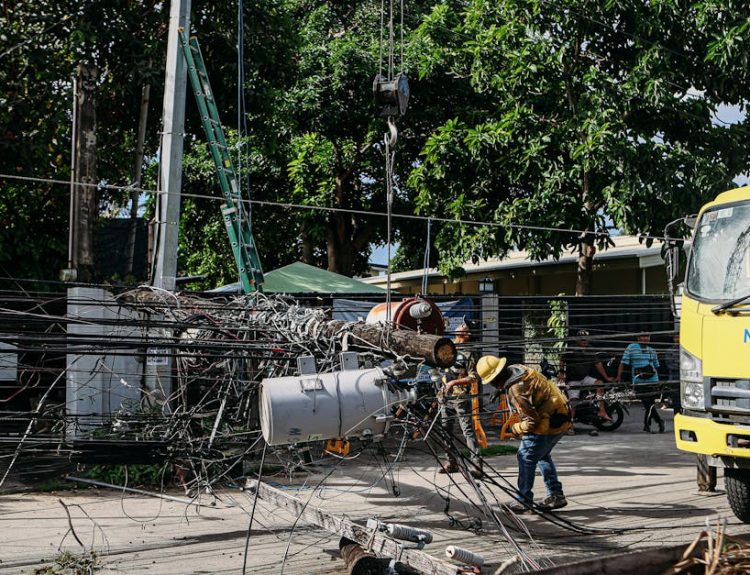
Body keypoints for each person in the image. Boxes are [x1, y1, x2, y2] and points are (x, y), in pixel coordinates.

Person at [478, 355, 571, 513]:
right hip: (561, 414)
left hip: (548, 421)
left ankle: (524, 500)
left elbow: (532, 421)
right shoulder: (518, 368)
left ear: (496, 378)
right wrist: (500, 391)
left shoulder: (516, 390)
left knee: (525, 456)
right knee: (541, 455)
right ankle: (556, 494)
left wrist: (515, 429)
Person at [438, 352, 483, 478]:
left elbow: (474, 377)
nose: (464, 336)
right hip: (445, 397)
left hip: (460, 399)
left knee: (468, 431)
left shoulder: (468, 355)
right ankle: (452, 463)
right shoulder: (445, 351)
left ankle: (477, 465)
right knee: (446, 431)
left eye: (465, 333)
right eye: (460, 333)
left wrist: (454, 382)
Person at [559, 330, 614, 433]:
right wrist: (561, 372)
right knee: (574, 401)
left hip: (584, 378)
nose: (584, 341)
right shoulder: (571, 349)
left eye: (586, 339)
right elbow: (562, 359)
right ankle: (569, 425)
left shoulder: (590, 349)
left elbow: (598, 364)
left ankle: (601, 411)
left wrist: (606, 377)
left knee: (600, 383)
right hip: (573, 381)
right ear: (577, 340)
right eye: (582, 339)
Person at [616, 332, 664, 433]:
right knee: (647, 402)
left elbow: (656, 366)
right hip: (638, 380)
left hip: (653, 379)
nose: (645, 338)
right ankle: (658, 421)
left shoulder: (652, 350)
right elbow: (623, 363)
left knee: (649, 403)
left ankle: (648, 424)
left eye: (647, 336)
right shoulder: (631, 347)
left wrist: (659, 382)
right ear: (638, 338)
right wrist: (619, 377)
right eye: (643, 337)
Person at [663, 331, 681, 413]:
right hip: (674, 378)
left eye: (679, 337)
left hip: (686, 378)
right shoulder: (669, 351)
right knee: (676, 398)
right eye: (676, 337)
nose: (677, 339)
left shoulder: (687, 350)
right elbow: (670, 365)